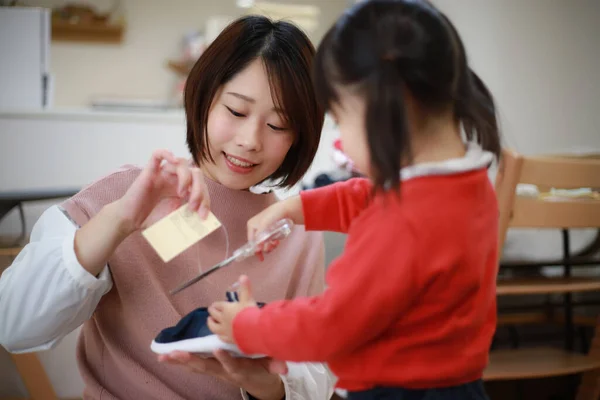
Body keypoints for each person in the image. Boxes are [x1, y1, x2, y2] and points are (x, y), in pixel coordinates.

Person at [0, 15, 335, 400]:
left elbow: (315, 373)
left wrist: (268, 386)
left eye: (278, 125)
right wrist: (122, 220)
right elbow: (15, 325)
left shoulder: (296, 237)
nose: (250, 140)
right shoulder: (126, 194)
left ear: (300, 137)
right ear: (205, 97)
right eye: (237, 112)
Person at [207, 1, 501, 399]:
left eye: (341, 119)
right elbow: (373, 199)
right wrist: (298, 207)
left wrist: (248, 326)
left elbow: (330, 326)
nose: (341, 141)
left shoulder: (402, 223)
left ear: (385, 110)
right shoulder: (467, 183)